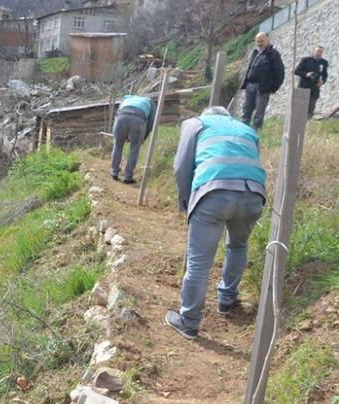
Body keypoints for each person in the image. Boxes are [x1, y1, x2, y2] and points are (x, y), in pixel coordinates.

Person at [165, 107, 266, 340]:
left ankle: (189, 322)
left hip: (213, 192)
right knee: (238, 246)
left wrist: (186, 200)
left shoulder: (196, 124)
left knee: (199, 262)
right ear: (227, 116)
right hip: (253, 195)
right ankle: (227, 300)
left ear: (208, 114)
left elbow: (181, 165)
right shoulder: (247, 129)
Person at [240, 32, 284, 129]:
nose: (259, 43)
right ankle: (242, 131)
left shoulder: (273, 54)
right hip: (250, 85)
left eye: (262, 41)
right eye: (258, 41)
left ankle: (255, 133)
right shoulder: (255, 53)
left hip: (262, 87)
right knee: (246, 110)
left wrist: (273, 88)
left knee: (259, 114)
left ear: (268, 40)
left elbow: (280, 73)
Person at [110, 95, 156, 184]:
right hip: (138, 120)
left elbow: (117, 115)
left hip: (121, 118)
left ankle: (114, 172)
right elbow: (151, 122)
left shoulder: (126, 99)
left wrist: (120, 135)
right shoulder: (150, 101)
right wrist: (144, 137)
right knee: (134, 149)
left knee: (118, 145)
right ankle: (128, 176)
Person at [294, 46, 329, 118]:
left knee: (311, 108)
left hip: (315, 88)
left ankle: (308, 124)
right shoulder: (306, 60)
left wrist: (322, 81)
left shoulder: (324, 62)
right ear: (314, 51)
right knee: (301, 109)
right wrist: (306, 74)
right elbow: (296, 71)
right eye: (317, 51)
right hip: (304, 87)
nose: (318, 53)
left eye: (320, 52)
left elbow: (324, 75)